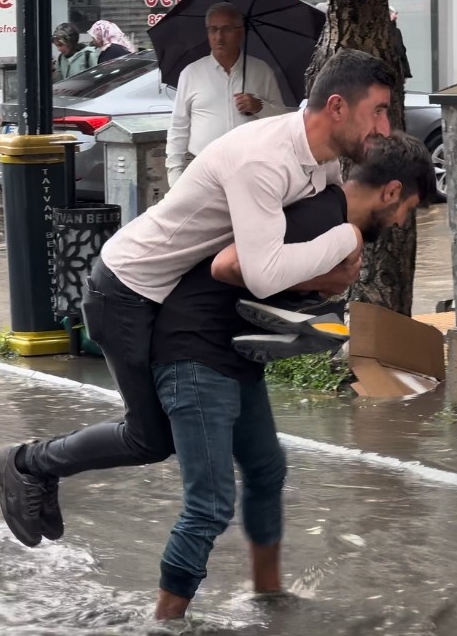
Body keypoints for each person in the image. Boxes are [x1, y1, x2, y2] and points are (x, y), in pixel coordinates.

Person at [0, 48, 394, 550]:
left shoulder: (322, 163)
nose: (386, 126)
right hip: (126, 290)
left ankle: (36, 467)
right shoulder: (263, 159)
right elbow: (265, 273)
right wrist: (349, 239)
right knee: (149, 438)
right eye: (378, 110)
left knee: (176, 443)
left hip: (169, 293)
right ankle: (28, 463)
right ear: (337, 107)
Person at [149, 132, 435, 619]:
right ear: (390, 192)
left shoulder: (336, 222)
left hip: (233, 353)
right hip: (193, 350)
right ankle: (163, 622)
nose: (403, 220)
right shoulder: (324, 219)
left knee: (266, 468)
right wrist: (327, 278)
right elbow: (230, 265)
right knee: (211, 504)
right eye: (408, 208)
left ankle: (268, 595)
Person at [165, 2, 286, 187]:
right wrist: (175, 176)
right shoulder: (192, 73)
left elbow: (281, 122)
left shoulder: (261, 71)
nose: (219, 37)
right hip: (205, 172)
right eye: (213, 30)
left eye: (226, 29)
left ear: (241, 31)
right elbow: (178, 127)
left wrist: (259, 106)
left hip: (252, 172)